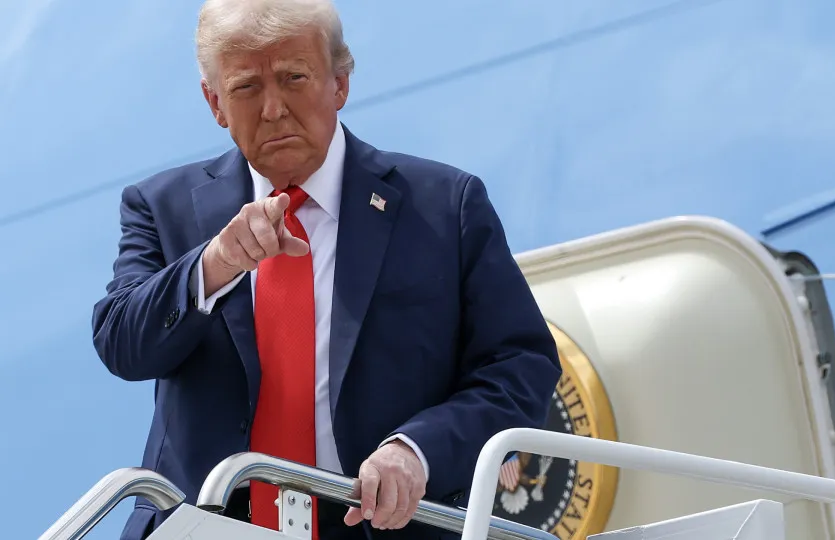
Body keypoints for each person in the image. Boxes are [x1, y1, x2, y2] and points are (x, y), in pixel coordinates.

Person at [90, 0, 561, 538]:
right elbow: (122, 343)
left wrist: (416, 452)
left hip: (380, 523)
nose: (273, 109)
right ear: (215, 102)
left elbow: (519, 367)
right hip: (208, 523)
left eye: (294, 78)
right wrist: (215, 264)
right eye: (246, 87)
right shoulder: (161, 208)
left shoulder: (444, 206)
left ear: (340, 83)